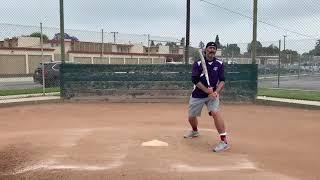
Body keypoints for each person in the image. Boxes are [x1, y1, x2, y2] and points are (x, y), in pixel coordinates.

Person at [184, 41, 229, 152]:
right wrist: (206, 90)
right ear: (205, 50)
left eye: (214, 49)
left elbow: (222, 80)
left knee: (215, 112)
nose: (212, 50)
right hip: (198, 94)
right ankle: (195, 131)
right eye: (210, 48)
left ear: (215, 51)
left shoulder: (219, 63)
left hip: (213, 96)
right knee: (191, 117)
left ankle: (224, 141)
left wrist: (216, 92)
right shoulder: (198, 64)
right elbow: (195, 80)